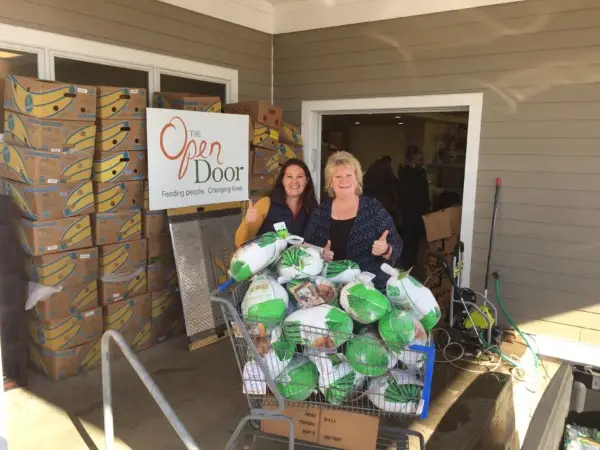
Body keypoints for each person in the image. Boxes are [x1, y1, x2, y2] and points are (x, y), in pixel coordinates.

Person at [304, 151, 402, 290]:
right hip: (330, 289)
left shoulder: (373, 208)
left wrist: (386, 249)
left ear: (357, 179)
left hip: (370, 288)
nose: (344, 181)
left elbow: (396, 244)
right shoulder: (320, 212)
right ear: (331, 183)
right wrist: (320, 254)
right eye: (338, 176)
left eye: (349, 175)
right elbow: (306, 248)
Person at [235, 158, 318, 248]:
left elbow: (313, 243)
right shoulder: (266, 204)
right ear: (282, 180)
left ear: (306, 180)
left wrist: (322, 251)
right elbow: (239, 243)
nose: (294, 181)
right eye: (289, 176)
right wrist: (248, 223)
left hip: (294, 261)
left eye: (300, 176)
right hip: (266, 261)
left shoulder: (310, 208)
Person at [397, 146, 430, 270]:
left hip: (420, 210)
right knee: (407, 237)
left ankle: (412, 261)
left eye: (420, 159)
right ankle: (405, 262)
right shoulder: (405, 172)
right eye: (416, 159)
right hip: (408, 210)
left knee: (417, 237)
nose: (419, 162)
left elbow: (424, 191)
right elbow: (403, 191)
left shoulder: (421, 172)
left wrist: (427, 207)